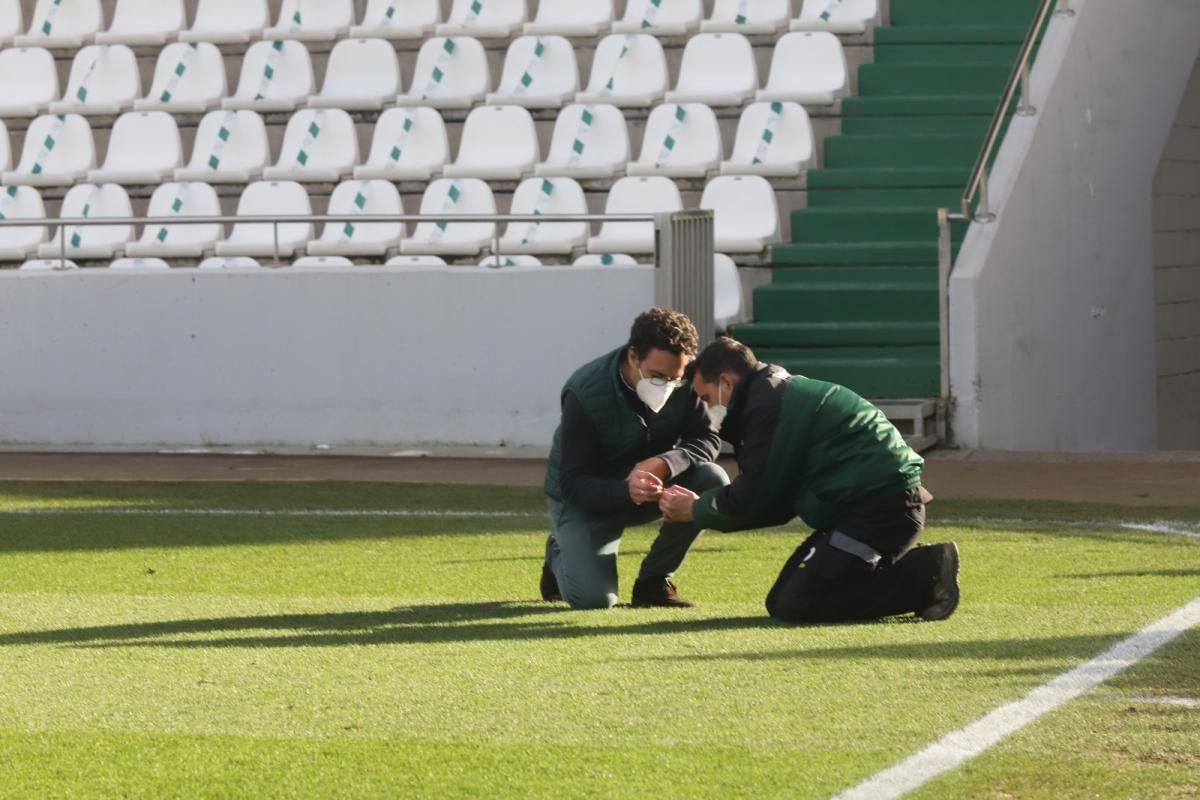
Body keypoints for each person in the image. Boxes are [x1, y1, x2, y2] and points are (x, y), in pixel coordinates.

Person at [658, 336, 960, 623]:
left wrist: (696, 509)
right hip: (866, 508)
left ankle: (927, 574)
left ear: (726, 381)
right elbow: (776, 503)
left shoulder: (767, 408)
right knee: (780, 602)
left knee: (799, 602)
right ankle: (913, 574)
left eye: (706, 398)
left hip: (880, 510)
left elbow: (755, 499)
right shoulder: (771, 396)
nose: (705, 408)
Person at [541, 308, 730, 610]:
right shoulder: (586, 391)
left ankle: (654, 582)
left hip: (650, 486)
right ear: (633, 357)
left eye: (675, 378)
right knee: (594, 599)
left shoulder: (687, 379)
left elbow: (707, 438)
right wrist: (625, 490)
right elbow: (573, 484)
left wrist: (665, 463)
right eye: (657, 376)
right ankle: (558, 552)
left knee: (713, 479)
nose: (667, 386)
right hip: (587, 496)